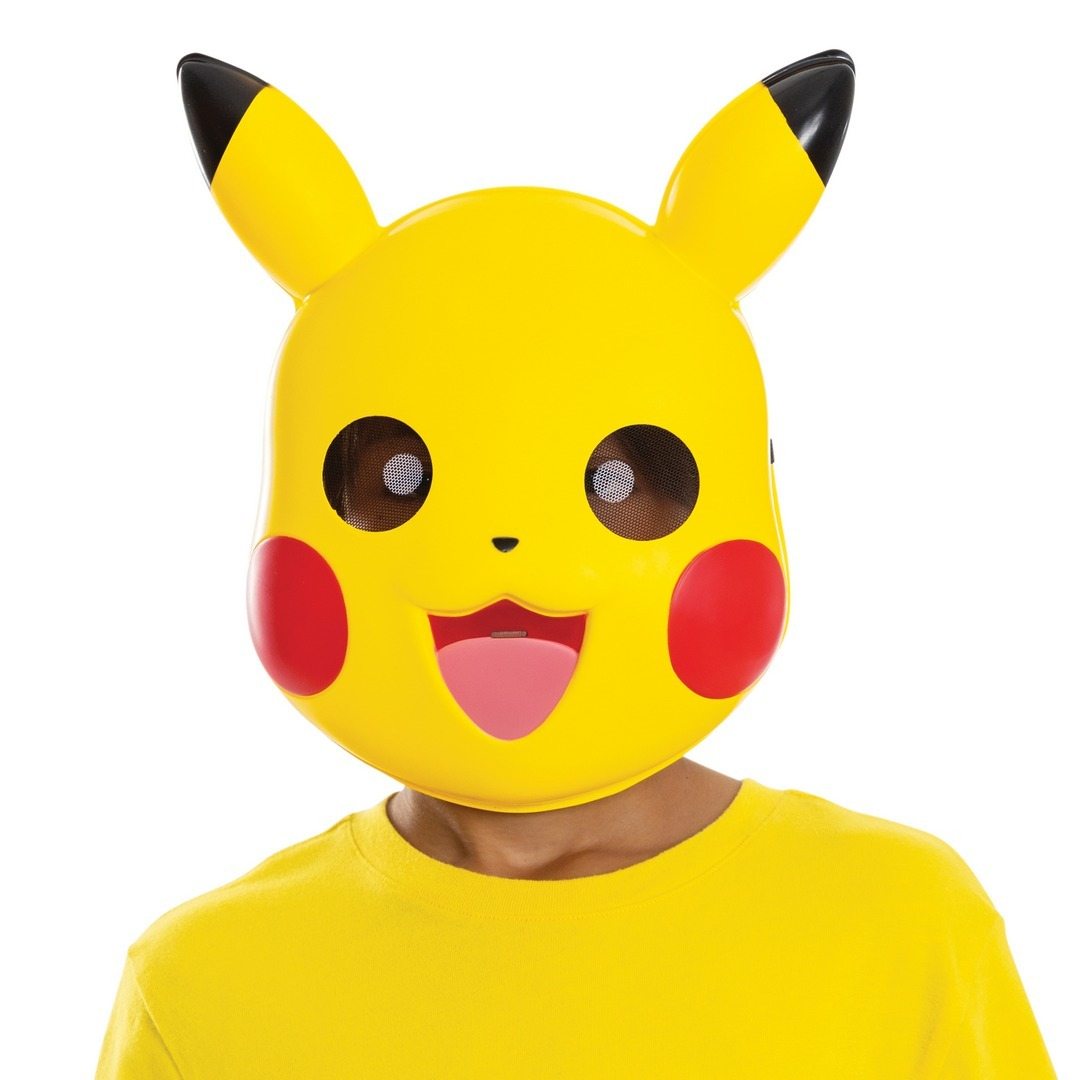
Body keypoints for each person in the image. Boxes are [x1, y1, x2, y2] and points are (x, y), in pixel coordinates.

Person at [96, 51, 1056, 1077]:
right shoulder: (203, 982)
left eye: (615, 479)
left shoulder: (903, 926)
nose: (506, 548)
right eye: (399, 481)